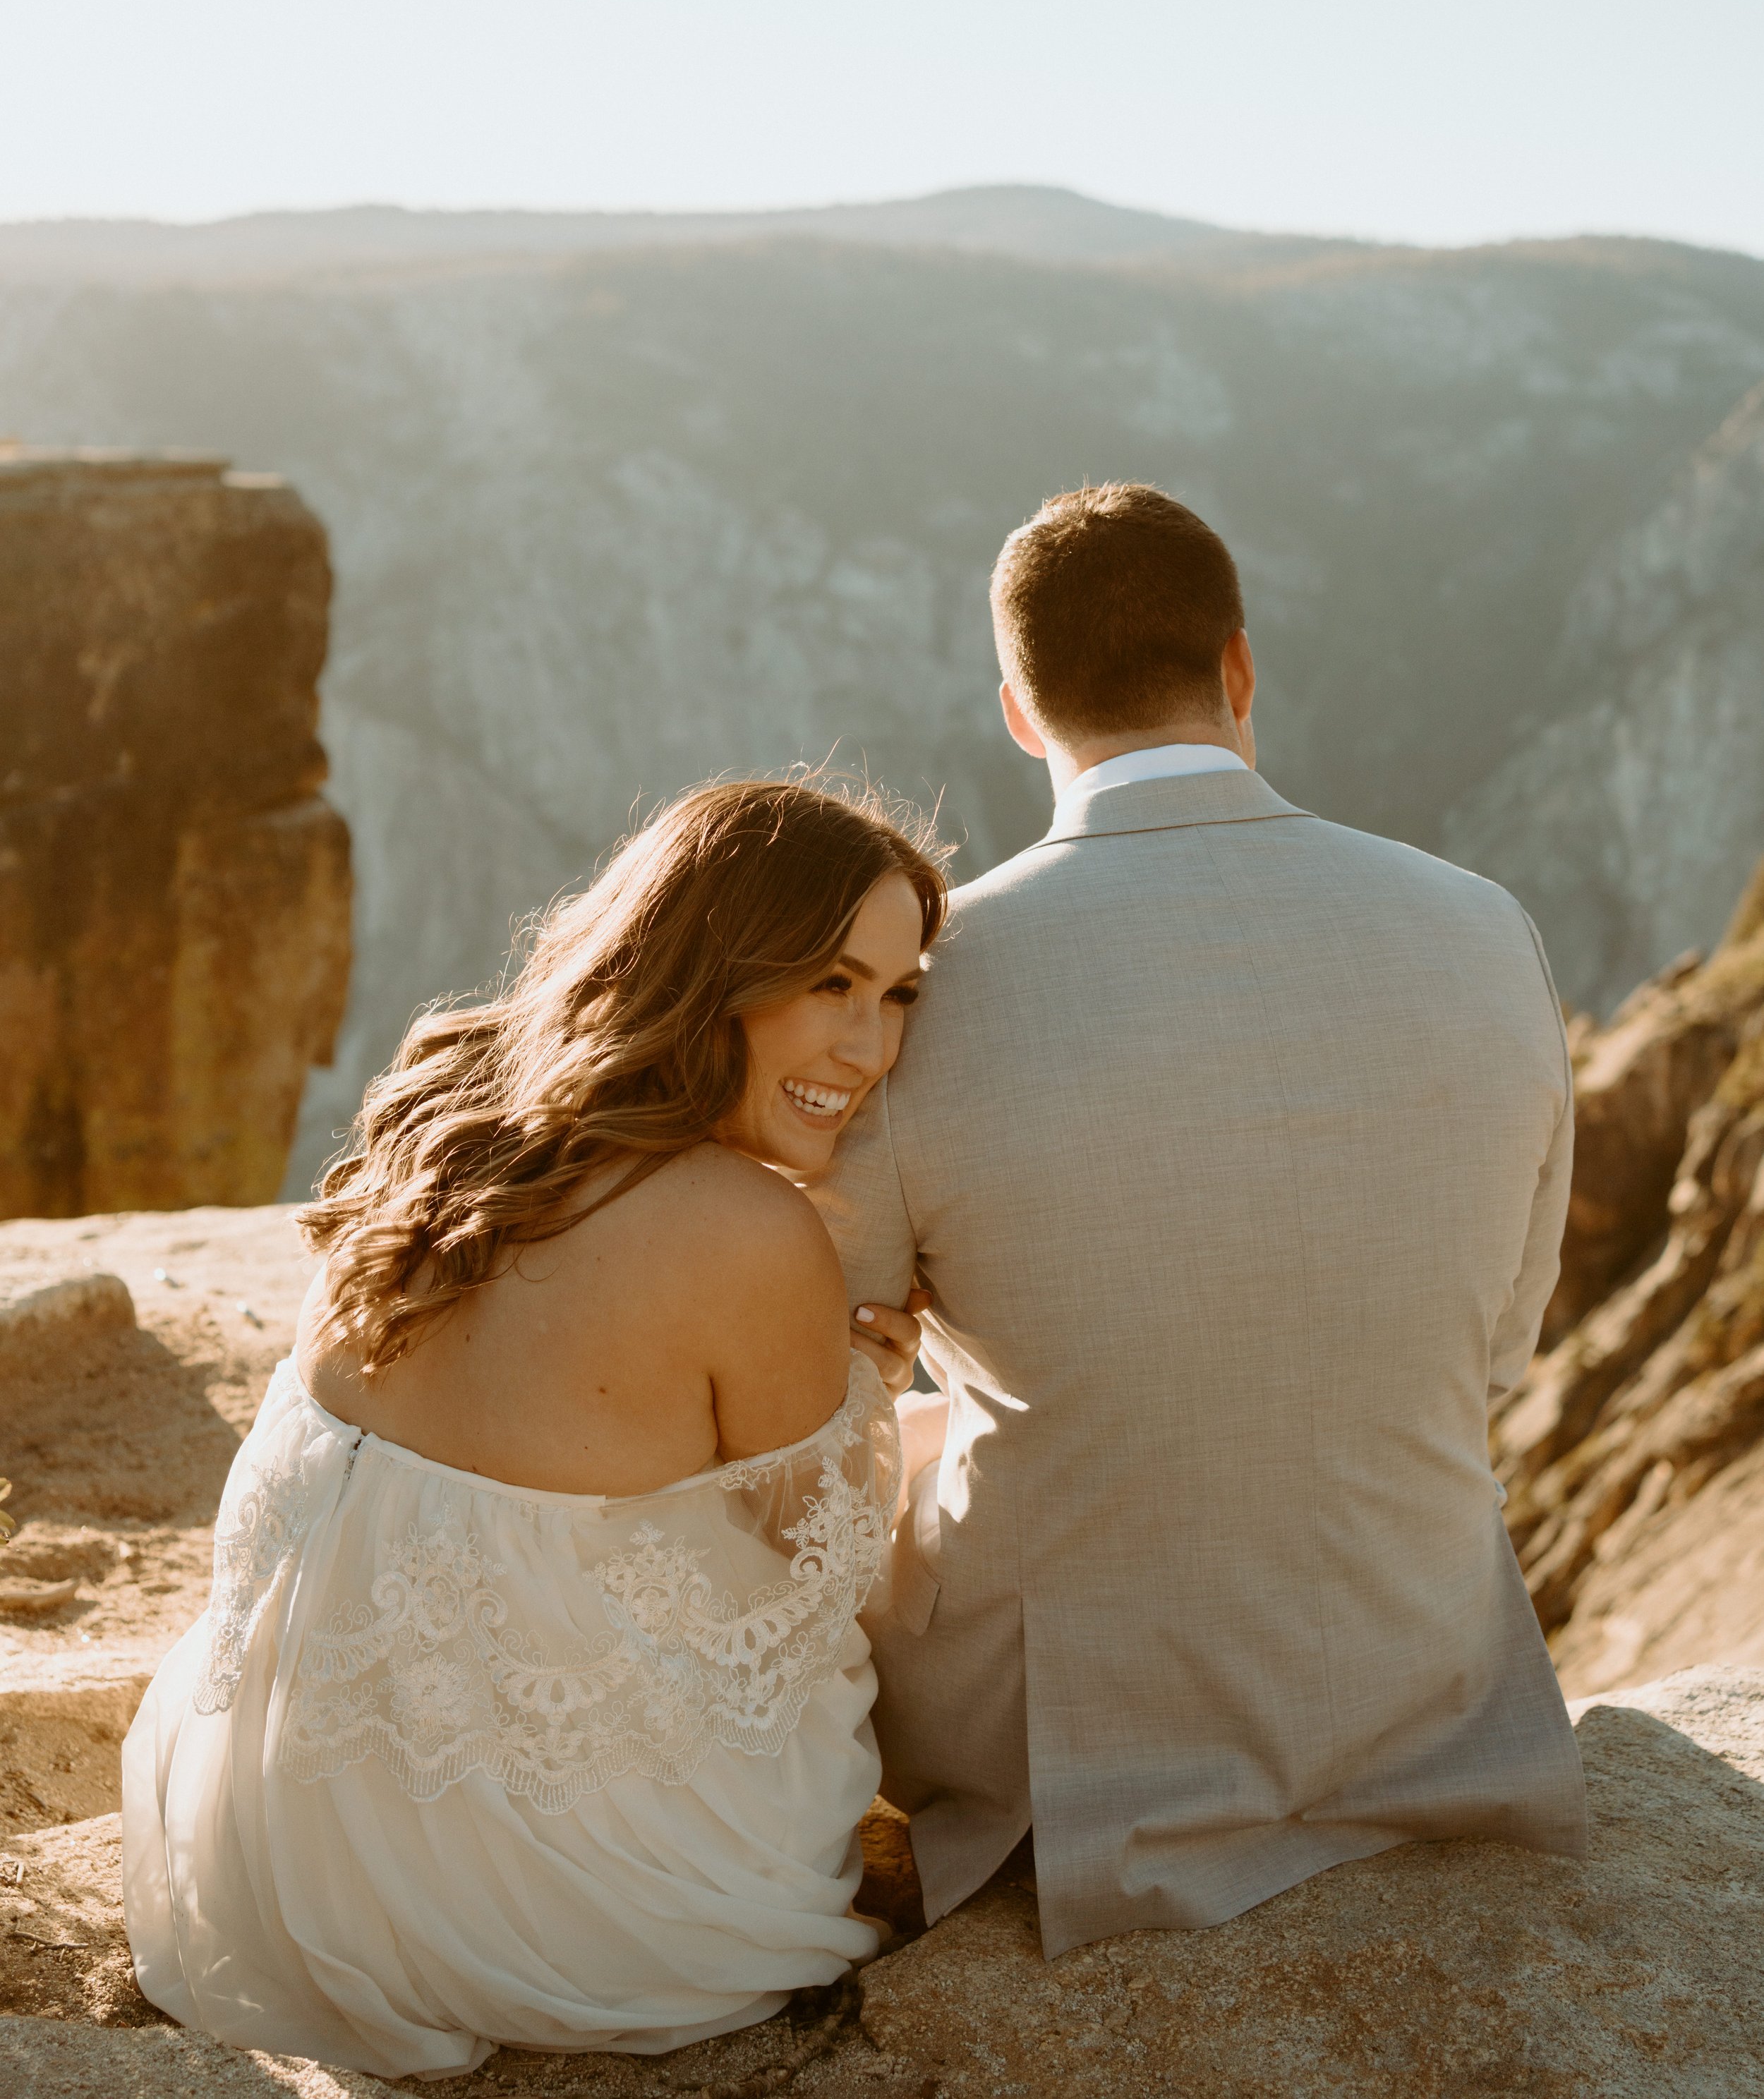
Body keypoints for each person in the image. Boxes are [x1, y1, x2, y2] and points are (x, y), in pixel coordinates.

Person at [813, 482, 1588, 1959]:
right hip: (1413, 1680)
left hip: (1068, 1746)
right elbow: (1495, 1348)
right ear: (1237, 670)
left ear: (1020, 715)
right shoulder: (1485, 924)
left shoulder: (919, 984)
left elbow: (820, 1375)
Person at [122, 779, 941, 2081]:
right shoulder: (747, 1227)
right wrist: (869, 1395)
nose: (869, 1049)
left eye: (898, 995)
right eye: (830, 984)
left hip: (279, 1864)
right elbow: (815, 1573)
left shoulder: (443, 1112)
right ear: (716, 964)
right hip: (595, 1918)